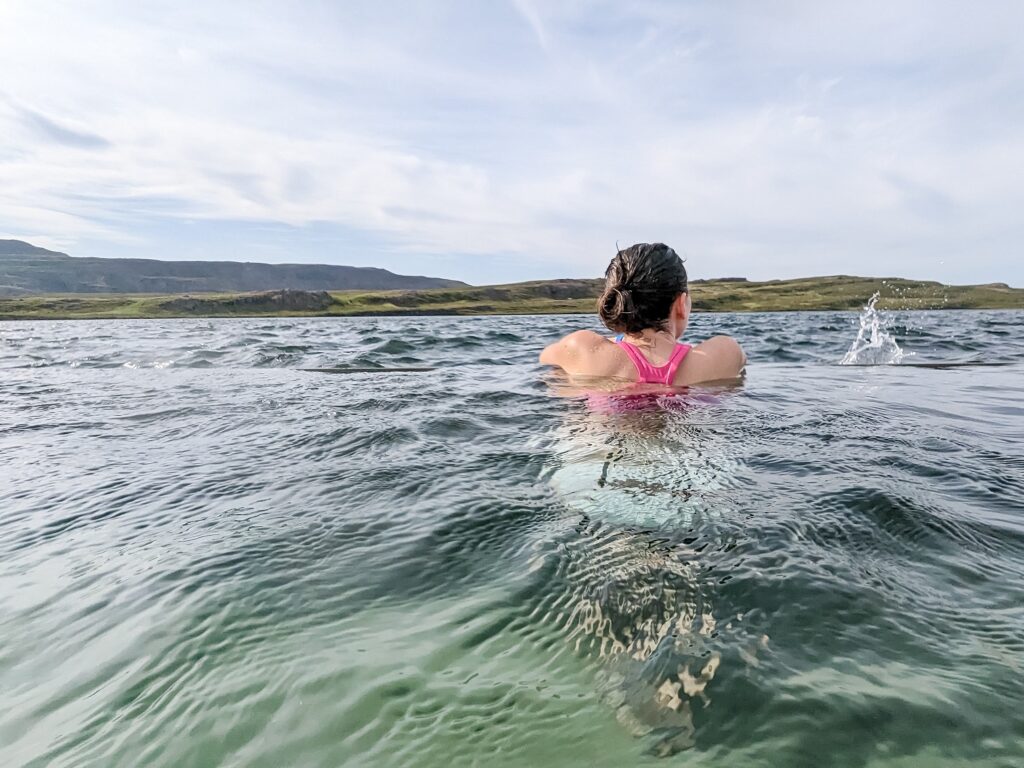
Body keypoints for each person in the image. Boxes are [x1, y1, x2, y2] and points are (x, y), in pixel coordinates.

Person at [540, 243, 745, 386]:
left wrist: (616, 342)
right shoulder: (723, 354)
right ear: (681, 304)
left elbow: (545, 362)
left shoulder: (582, 349)